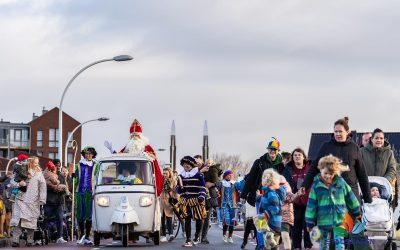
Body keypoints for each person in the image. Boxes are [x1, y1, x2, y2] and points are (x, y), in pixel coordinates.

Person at [301, 117, 372, 204]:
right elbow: (314, 168)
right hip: (331, 193)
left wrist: (368, 198)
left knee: (352, 216)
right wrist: (305, 185)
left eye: (340, 131)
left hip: (351, 193)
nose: (338, 134)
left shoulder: (354, 148)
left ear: (347, 132)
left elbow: (362, 174)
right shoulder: (326, 147)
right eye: (336, 131)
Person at [305, 155, 361, 250]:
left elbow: (350, 197)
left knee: (340, 243)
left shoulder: (341, 183)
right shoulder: (316, 186)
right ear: (321, 169)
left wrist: (357, 211)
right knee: (324, 244)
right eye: (325, 173)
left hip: (339, 219)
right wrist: (309, 222)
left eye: (331, 174)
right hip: (323, 220)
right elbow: (311, 206)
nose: (328, 176)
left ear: (335, 173)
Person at [240, 138, 284, 250]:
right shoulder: (260, 161)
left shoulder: (282, 165)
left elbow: (284, 180)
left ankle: (271, 244)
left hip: (274, 197)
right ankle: (260, 245)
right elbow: (250, 179)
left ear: (278, 150)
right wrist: (243, 195)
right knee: (260, 220)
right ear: (268, 150)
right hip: (259, 195)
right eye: (270, 149)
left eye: (274, 149)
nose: (272, 151)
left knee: (273, 223)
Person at [104, 119, 163, 196]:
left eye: (136, 135)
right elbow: (119, 157)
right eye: (133, 135)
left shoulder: (147, 147)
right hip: (128, 173)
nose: (134, 137)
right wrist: (112, 151)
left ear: (140, 136)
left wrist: (146, 154)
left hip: (143, 175)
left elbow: (154, 159)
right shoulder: (127, 148)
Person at [10, 156, 46, 247]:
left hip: (33, 200)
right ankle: (15, 240)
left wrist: (42, 198)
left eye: (37, 163)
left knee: (31, 221)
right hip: (20, 199)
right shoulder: (20, 170)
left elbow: (42, 186)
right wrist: (18, 184)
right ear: (30, 163)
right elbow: (12, 182)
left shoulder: (39, 173)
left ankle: (30, 240)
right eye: (34, 162)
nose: (36, 164)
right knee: (18, 220)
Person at [281, 148, 313, 250]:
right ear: (292, 158)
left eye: (299, 155)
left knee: (307, 224)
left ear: (304, 157)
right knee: (296, 225)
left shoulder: (311, 168)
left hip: (309, 201)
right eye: (295, 155)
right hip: (295, 202)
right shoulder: (288, 169)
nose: (297, 157)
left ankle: (308, 245)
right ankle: (296, 246)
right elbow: (284, 184)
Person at [176, 156, 207, 247]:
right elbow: (179, 189)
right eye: (184, 166)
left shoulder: (199, 175)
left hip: (197, 200)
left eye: (188, 166)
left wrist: (201, 196)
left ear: (191, 166)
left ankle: (197, 236)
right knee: (187, 219)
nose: (186, 167)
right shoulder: (181, 176)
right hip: (186, 201)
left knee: (199, 219)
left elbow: (202, 187)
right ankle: (188, 239)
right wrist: (179, 189)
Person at [74, 146, 100, 245]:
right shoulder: (79, 165)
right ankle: (81, 235)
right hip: (80, 192)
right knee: (80, 214)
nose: (89, 155)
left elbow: (99, 176)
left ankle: (88, 237)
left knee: (89, 215)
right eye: (87, 153)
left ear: (93, 155)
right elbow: (76, 179)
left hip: (90, 192)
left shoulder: (96, 165)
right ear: (84, 154)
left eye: (90, 154)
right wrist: (73, 178)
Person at [258, 169, 286, 250]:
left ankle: (275, 247)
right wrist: (259, 197)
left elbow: (275, 207)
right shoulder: (269, 191)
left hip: (271, 223)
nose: (261, 180)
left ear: (267, 180)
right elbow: (267, 201)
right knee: (269, 244)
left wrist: (266, 214)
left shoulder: (271, 192)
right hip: (273, 223)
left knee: (269, 243)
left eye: (262, 178)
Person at [43, 161, 68, 244]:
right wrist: (53, 188)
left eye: (59, 166)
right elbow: (44, 186)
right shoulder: (46, 174)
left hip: (58, 201)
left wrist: (60, 190)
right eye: (56, 165)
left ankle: (59, 237)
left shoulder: (60, 175)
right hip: (49, 201)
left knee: (60, 219)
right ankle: (44, 236)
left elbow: (64, 188)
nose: (58, 167)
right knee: (45, 218)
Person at [201, 158, 222, 244]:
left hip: (209, 196)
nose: (208, 164)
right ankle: (198, 235)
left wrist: (211, 184)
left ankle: (204, 237)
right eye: (207, 163)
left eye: (210, 163)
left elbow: (217, 181)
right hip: (201, 194)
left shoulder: (213, 170)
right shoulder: (202, 170)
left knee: (207, 217)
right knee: (200, 217)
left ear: (212, 164)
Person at [217, 170, 239, 244]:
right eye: (229, 175)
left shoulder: (235, 184)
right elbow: (216, 188)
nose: (230, 176)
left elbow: (241, 187)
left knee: (232, 221)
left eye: (231, 175)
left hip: (233, 205)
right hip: (224, 205)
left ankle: (230, 237)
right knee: (226, 221)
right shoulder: (221, 183)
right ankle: (224, 235)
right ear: (225, 176)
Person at [160, 167, 178, 242]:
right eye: (163, 173)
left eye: (166, 173)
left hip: (169, 201)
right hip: (161, 201)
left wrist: (176, 202)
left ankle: (171, 234)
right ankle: (163, 235)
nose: (164, 175)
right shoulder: (161, 180)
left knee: (169, 218)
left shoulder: (173, 181)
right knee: (162, 219)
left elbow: (176, 192)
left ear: (169, 173)